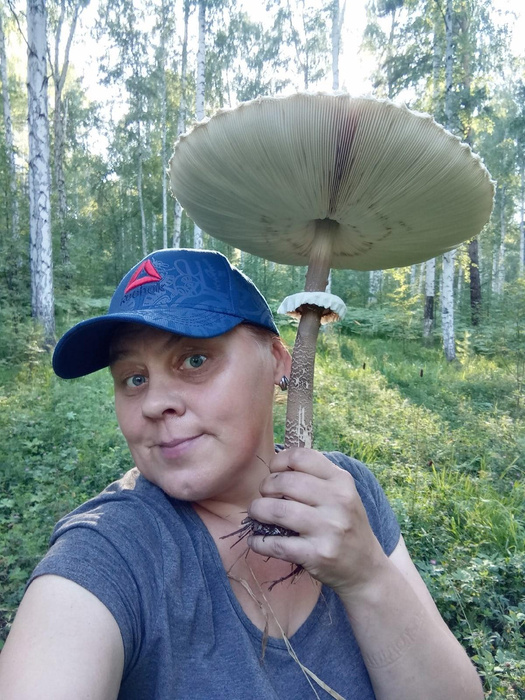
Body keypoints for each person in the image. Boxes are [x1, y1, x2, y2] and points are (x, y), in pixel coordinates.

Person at [0, 248, 483, 700]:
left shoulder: (347, 492)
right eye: (134, 378)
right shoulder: (113, 549)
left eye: (194, 359)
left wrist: (366, 577)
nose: (153, 403)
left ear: (278, 362)